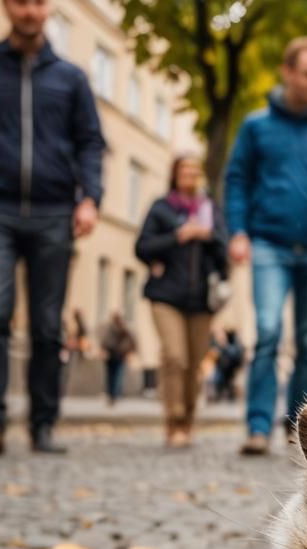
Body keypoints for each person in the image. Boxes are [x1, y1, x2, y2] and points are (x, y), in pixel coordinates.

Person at [0, 0, 105, 456]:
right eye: (20, 2)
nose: (29, 10)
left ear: (47, 8)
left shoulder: (71, 79)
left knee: (47, 325)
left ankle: (43, 424)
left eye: (37, 2)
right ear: (6, 7)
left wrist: (90, 198)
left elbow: (90, 142)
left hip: (56, 212)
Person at [226, 36, 307, 456]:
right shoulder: (256, 126)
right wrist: (238, 231)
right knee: (266, 332)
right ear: (288, 72)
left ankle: (297, 427)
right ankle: (258, 425)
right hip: (268, 243)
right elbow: (237, 180)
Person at [135, 155, 227, 446]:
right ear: (174, 175)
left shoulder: (210, 210)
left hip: (201, 299)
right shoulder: (162, 208)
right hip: (166, 296)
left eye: (194, 171)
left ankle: (187, 420)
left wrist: (207, 236)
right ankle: (173, 421)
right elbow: (142, 247)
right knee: (175, 356)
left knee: (194, 363)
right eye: (184, 171)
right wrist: (178, 236)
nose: (190, 176)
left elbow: (224, 254)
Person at [100, 312, 136, 406]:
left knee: (112, 376)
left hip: (114, 355)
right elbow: (133, 341)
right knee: (116, 376)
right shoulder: (123, 328)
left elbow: (105, 341)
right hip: (118, 355)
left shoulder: (113, 328)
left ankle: (112, 394)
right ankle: (113, 395)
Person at [212, 329, 244, 403]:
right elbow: (213, 354)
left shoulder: (235, 340)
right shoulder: (216, 340)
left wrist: (224, 345)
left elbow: (236, 355)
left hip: (232, 367)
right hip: (221, 368)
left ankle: (229, 392)